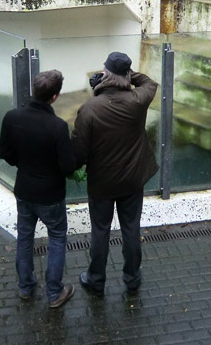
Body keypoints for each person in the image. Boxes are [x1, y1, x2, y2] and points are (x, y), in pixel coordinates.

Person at [72, 52, 159, 297]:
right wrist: (125, 75)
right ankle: (132, 279)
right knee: (131, 227)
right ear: (126, 76)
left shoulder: (90, 108)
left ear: (105, 74)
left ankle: (96, 280)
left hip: (102, 183)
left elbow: (78, 152)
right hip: (132, 179)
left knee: (100, 230)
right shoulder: (138, 99)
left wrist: (104, 83)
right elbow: (150, 83)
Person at [0, 70, 78, 309]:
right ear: (54, 96)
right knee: (56, 237)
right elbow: (67, 166)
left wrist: (23, 164)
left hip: (23, 189)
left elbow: (5, 153)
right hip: (50, 194)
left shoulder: (11, 117)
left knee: (24, 237)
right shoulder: (57, 127)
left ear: (33, 91)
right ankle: (54, 293)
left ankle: (25, 287)